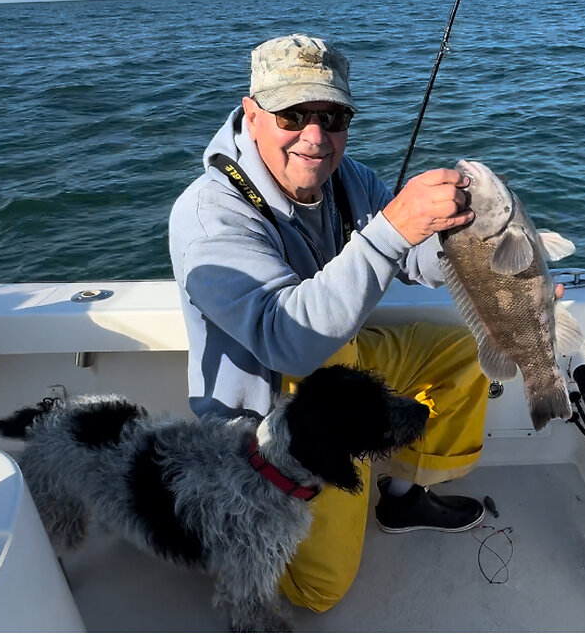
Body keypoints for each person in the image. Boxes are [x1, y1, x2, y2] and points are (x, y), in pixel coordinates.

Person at [168, 33, 492, 613]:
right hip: (269, 419)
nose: (315, 137)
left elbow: (413, 257)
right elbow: (288, 343)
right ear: (252, 113)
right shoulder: (209, 214)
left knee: (466, 350)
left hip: (339, 365)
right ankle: (240, 544)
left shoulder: (350, 179)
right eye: (293, 114)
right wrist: (392, 228)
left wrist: (479, 252)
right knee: (322, 593)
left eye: (333, 116)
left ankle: (399, 493)